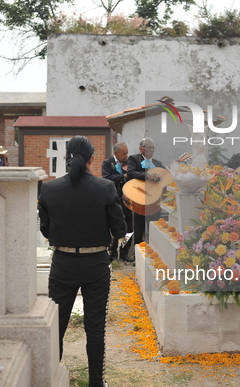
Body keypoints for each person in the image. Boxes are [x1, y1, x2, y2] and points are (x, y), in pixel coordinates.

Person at [38, 136, 126, 387]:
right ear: (91, 159)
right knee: (95, 329)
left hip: (63, 263)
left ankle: (52, 377)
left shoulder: (49, 189)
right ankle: (96, 383)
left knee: (57, 326)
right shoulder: (105, 188)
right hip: (96, 264)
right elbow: (119, 229)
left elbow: (45, 230)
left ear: (68, 156)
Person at [126, 137, 165, 245]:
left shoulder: (158, 163)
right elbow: (131, 173)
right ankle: (137, 256)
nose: (151, 150)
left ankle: (155, 252)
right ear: (141, 149)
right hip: (140, 198)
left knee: (155, 227)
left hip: (154, 200)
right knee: (139, 228)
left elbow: (164, 177)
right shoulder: (134, 159)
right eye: (149, 147)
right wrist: (147, 175)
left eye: (153, 148)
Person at [102, 142, 134, 262]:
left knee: (129, 227)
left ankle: (124, 254)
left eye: (127, 153)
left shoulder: (130, 163)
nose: (126, 156)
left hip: (128, 200)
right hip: (113, 200)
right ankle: (113, 254)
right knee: (115, 226)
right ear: (116, 153)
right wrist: (123, 177)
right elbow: (107, 178)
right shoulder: (106, 163)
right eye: (123, 153)